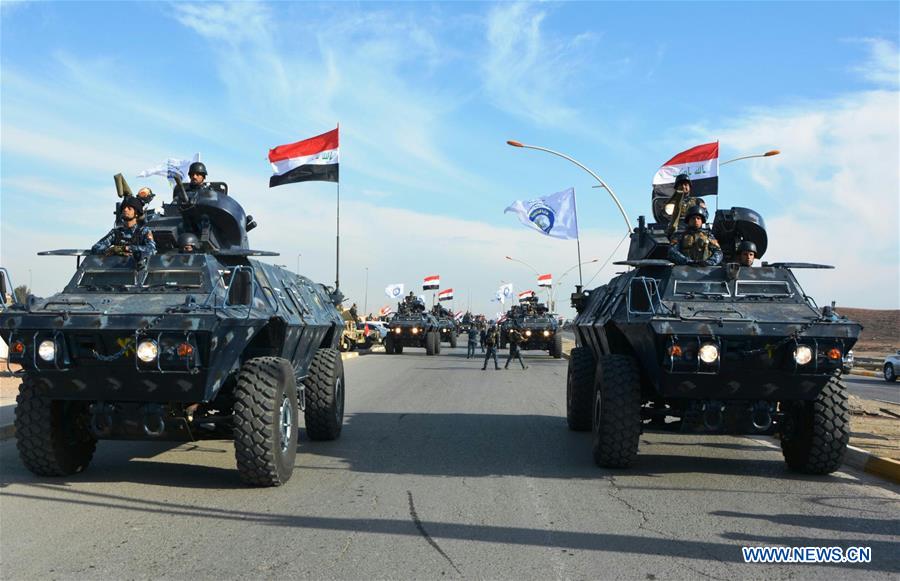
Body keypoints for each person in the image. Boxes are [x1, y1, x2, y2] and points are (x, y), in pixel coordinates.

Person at [92, 197, 156, 261]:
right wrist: (113, 250)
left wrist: (125, 248)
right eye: (124, 208)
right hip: (116, 269)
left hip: (136, 269)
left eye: (129, 208)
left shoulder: (144, 231)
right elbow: (96, 248)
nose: (125, 210)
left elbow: (151, 250)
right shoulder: (116, 233)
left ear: (136, 213)